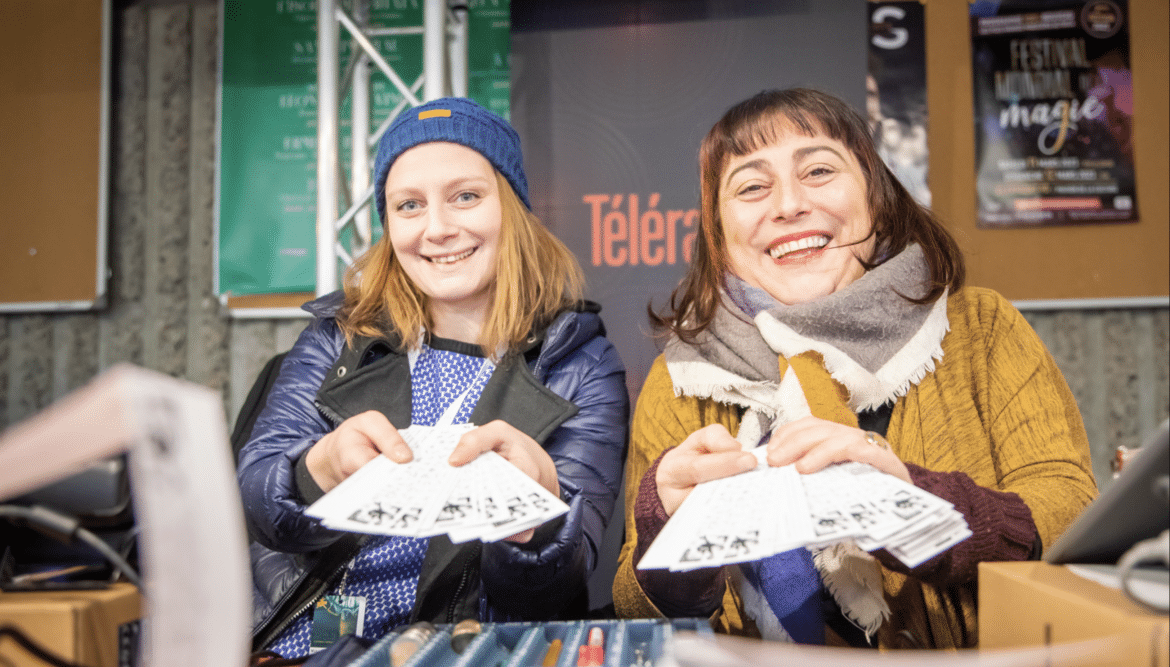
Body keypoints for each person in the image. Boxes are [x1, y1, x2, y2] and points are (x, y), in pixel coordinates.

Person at [612, 89, 1096, 649]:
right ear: (719, 232)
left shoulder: (982, 327)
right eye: (752, 186)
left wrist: (910, 502)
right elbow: (633, 605)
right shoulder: (682, 377)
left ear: (876, 196)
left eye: (818, 171)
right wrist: (666, 530)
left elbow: (1071, 513)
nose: (788, 204)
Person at [239, 97, 629, 657]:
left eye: (465, 196)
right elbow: (257, 504)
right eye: (409, 205)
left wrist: (538, 517)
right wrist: (318, 469)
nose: (438, 229)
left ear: (512, 208)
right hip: (320, 635)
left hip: (468, 647)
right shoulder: (339, 334)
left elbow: (550, 590)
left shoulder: (579, 363)